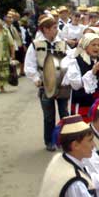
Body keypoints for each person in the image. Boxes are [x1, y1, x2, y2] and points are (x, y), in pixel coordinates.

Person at [24, 16, 70, 151]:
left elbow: (69, 61)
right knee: (49, 116)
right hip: (45, 85)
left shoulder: (62, 44)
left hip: (62, 84)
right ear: (46, 29)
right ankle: (49, 141)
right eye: (54, 27)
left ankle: (65, 140)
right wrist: (36, 79)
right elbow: (29, 65)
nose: (57, 30)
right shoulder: (35, 45)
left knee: (64, 113)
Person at [64, 33, 99, 123]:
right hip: (82, 101)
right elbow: (76, 85)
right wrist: (92, 72)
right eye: (93, 45)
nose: (97, 47)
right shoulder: (76, 61)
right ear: (86, 46)